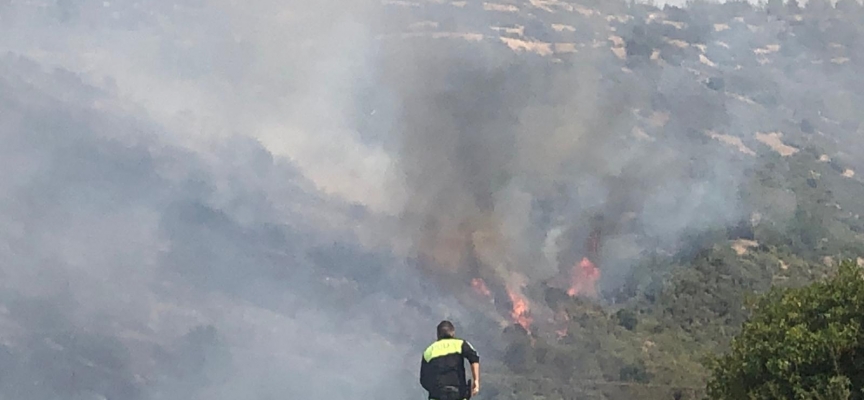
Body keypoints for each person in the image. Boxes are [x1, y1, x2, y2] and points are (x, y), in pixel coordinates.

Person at [420, 320, 480, 400]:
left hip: (437, 395)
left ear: (438, 335)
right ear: (452, 332)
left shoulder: (428, 351)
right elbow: (474, 358)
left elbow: (423, 379)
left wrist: (434, 390)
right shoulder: (460, 344)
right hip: (458, 393)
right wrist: (476, 380)